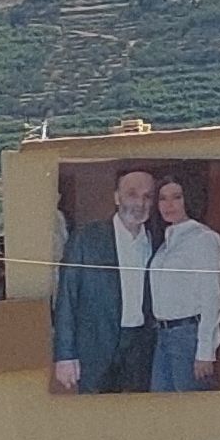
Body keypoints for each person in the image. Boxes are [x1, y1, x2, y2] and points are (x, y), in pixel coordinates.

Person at [49, 165, 157, 394]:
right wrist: (65, 355)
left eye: (148, 196)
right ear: (117, 198)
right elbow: (67, 297)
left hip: (139, 349)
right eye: (132, 194)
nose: (140, 203)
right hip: (95, 349)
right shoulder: (87, 238)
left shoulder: (156, 241)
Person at [140, 167, 220, 392]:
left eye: (176, 197)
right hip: (163, 336)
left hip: (189, 337)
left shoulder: (203, 239)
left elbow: (212, 298)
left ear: (189, 198)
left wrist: (205, 351)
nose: (169, 205)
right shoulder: (167, 242)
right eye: (162, 198)